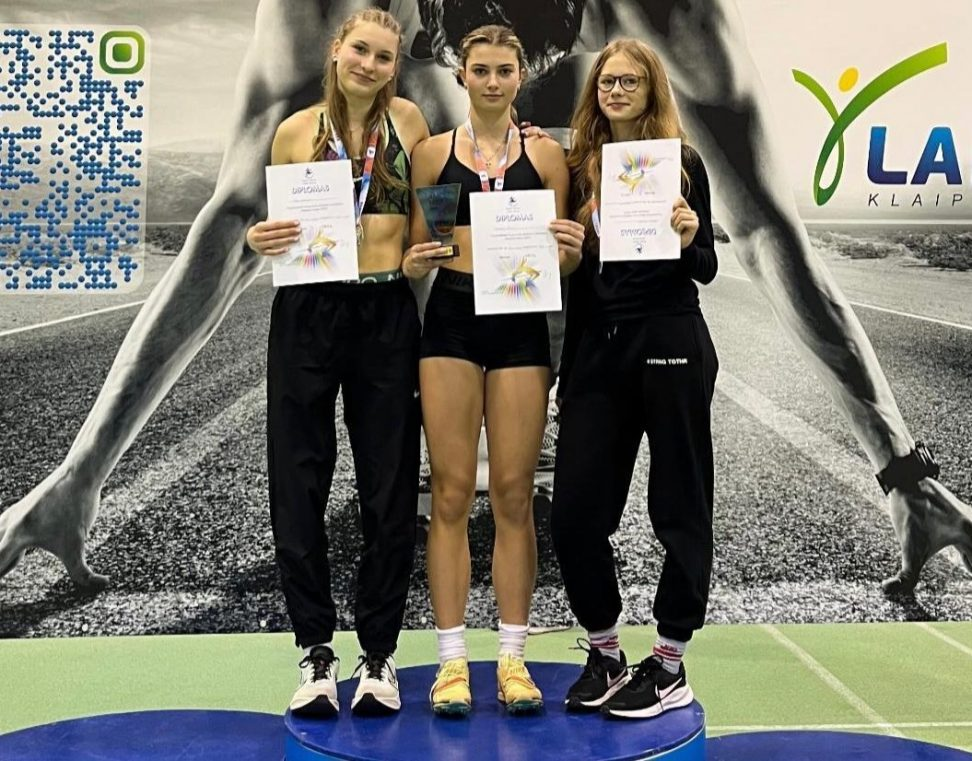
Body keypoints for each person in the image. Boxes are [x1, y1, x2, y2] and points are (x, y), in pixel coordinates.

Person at [2, 0, 969, 604]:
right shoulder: (326, 18)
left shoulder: (671, 19)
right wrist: (81, 472)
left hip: (559, 184)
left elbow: (761, 228)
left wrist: (902, 467)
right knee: (415, 140)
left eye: (525, 60)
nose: (504, 78)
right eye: (476, 59)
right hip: (433, 189)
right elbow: (232, 221)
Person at [244, 8, 429, 719]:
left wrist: (423, 252)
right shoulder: (295, 132)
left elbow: (427, 218)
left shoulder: (408, 123)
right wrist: (259, 238)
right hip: (308, 311)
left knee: (388, 484)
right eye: (361, 50)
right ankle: (315, 650)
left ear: (394, 67)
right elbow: (273, 227)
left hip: (384, 310)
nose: (370, 65)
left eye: (384, 57)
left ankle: (378, 653)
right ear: (336, 50)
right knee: (298, 479)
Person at [403, 24, 584, 716]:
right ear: (461, 73)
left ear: (520, 76)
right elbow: (420, 250)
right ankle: (452, 661)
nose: (493, 81)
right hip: (450, 323)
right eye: (481, 69)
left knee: (512, 495)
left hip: (520, 329)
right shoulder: (431, 154)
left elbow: (565, 257)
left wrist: (568, 251)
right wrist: (415, 260)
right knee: (450, 493)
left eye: (505, 70)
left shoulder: (548, 155)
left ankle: (512, 657)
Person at [551, 38, 717, 720]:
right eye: (607, 82)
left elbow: (706, 267)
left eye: (630, 81)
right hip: (599, 350)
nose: (616, 91)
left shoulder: (682, 163)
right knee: (572, 515)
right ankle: (607, 653)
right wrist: (569, 373)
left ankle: (670, 662)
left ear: (652, 90)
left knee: (679, 506)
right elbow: (575, 282)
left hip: (671, 339)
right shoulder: (578, 168)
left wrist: (690, 236)